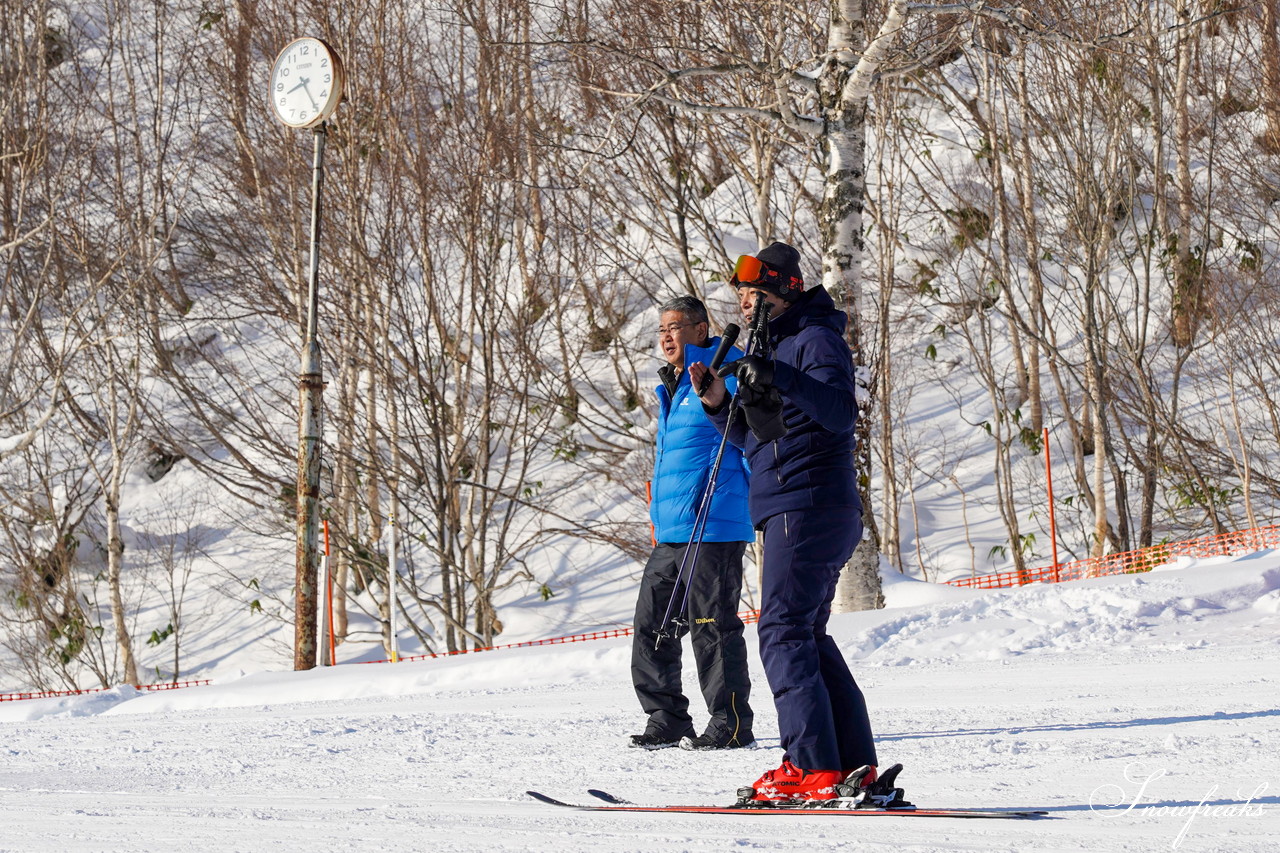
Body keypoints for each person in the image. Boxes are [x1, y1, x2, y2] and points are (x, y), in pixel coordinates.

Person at [688, 241, 880, 802]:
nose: (746, 304)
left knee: (781, 632)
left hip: (810, 502)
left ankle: (810, 767)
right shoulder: (774, 347)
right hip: (792, 502)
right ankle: (850, 767)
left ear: (782, 294)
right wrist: (720, 403)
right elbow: (761, 442)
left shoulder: (813, 339)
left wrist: (780, 375)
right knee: (804, 634)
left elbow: (842, 413)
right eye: (742, 295)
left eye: (757, 294)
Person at [629, 296, 757, 752]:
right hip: (673, 530)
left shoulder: (726, 370)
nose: (666, 336)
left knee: (711, 624)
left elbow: (747, 429)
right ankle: (666, 719)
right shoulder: (674, 385)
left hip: (714, 523)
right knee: (651, 624)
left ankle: (731, 724)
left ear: (701, 331)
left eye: (676, 326)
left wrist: (723, 384)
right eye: (661, 328)